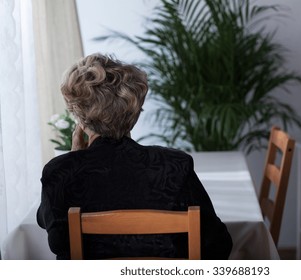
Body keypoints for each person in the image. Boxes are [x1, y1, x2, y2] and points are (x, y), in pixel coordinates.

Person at [36, 53, 232, 260]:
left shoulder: (59, 171)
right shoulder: (175, 165)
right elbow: (218, 244)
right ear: (134, 115)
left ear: (80, 119)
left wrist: (73, 159)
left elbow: (56, 238)